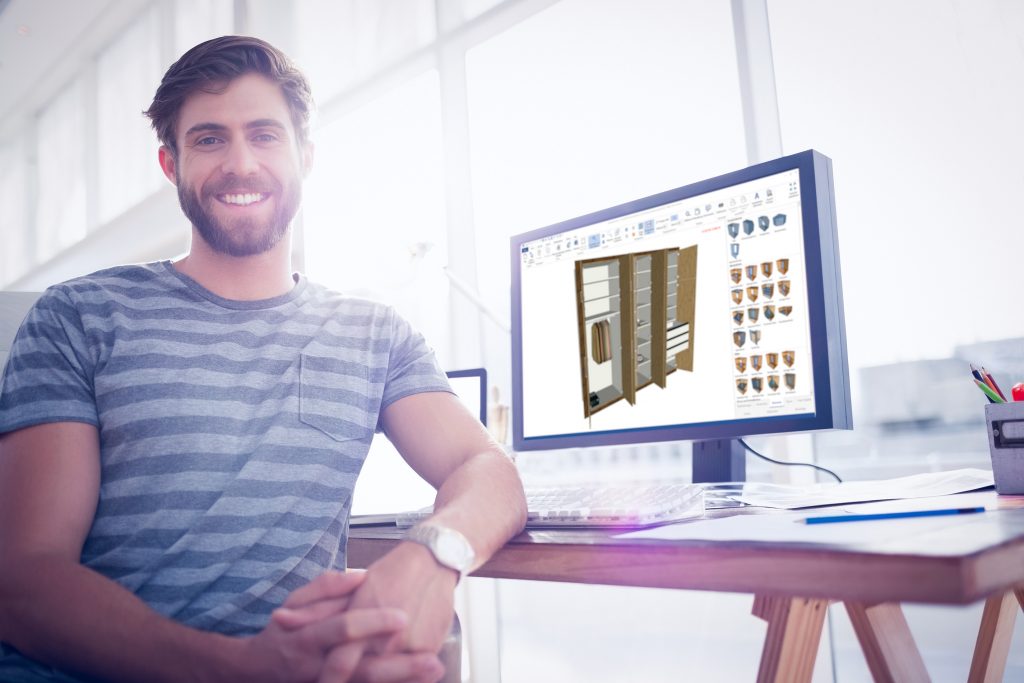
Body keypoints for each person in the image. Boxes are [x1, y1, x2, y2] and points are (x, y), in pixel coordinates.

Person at [0, 35, 527, 683]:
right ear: (171, 164)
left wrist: (431, 554)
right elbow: (24, 578)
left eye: (265, 135)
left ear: (306, 155)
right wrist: (243, 667)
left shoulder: (374, 334)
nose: (240, 162)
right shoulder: (80, 316)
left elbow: (488, 470)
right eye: (209, 139)